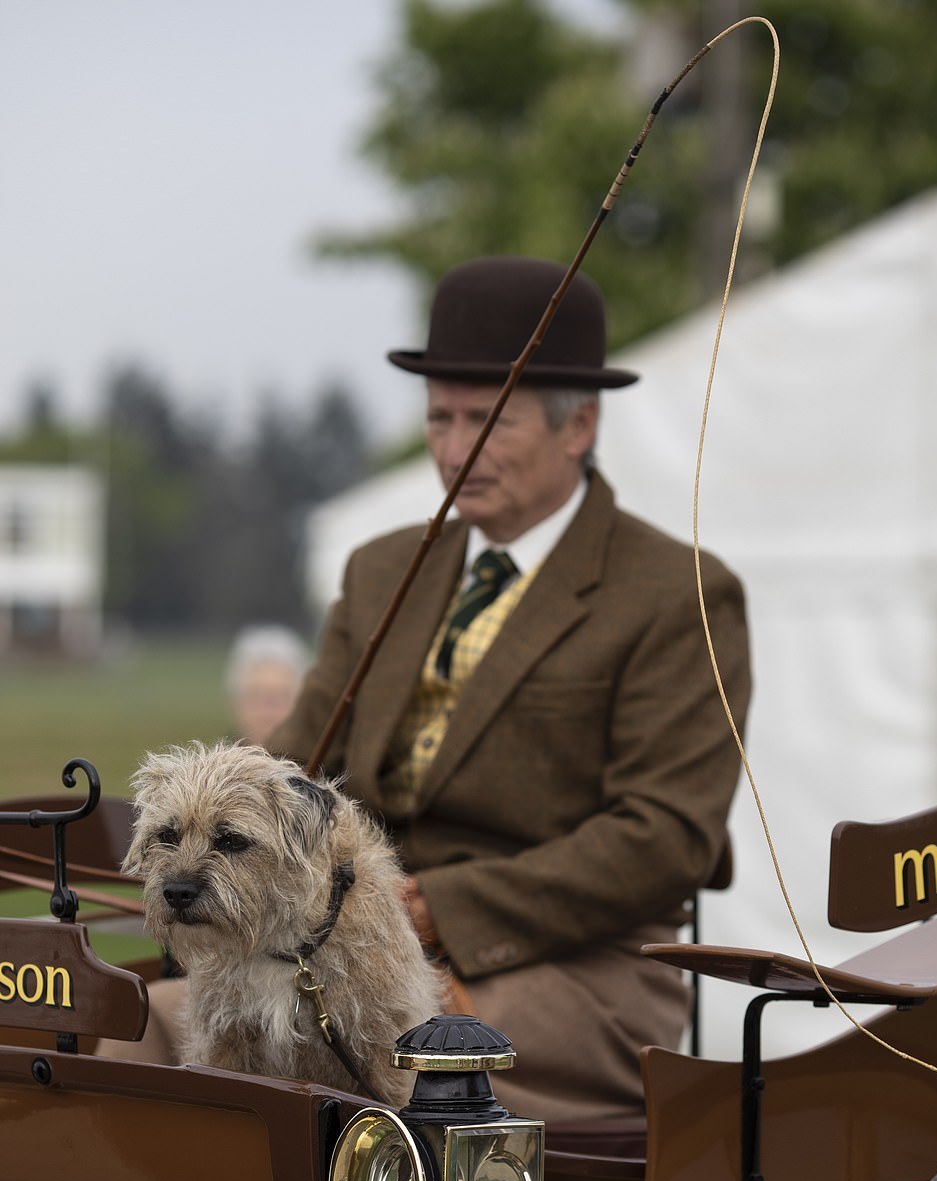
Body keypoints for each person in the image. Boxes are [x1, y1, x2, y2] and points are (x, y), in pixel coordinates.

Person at [270, 254, 752, 1125]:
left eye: (488, 423)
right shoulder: (383, 572)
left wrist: (434, 908)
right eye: (440, 419)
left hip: (586, 972)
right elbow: (292, 766)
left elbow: (667, 835)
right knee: (138, 1030)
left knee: (377, 1052)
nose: (455, 452)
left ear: (578, 426)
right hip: (362, 956)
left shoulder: (676, 593)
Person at [226, 624, 310, 746]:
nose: (267, 714)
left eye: (280, 698)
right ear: (235, 704)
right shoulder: (213, 765)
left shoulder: (325, 763)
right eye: (256, 697)